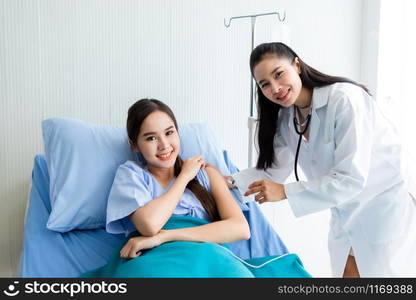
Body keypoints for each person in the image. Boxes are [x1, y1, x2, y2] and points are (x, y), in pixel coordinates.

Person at [228, 42, 416, 277]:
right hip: (346, 211)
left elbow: (351, 177)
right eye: (265, 84)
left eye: (279, 74)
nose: (275, 88)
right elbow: (273, 172)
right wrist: (229, 181)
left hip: (385, 204)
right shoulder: (288, 118)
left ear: (296, 65)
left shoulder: (344, 99)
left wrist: (285, 192)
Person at [106, 98, 250, 260]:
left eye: (169, 133)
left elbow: (241, 228)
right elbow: (149, 226)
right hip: (156, 260)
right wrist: (184, 177)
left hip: (206, 257)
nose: (164, 145)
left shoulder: (207, 174)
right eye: (151, 138)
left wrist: (164, 237)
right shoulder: (131, 175)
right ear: (134, 145)